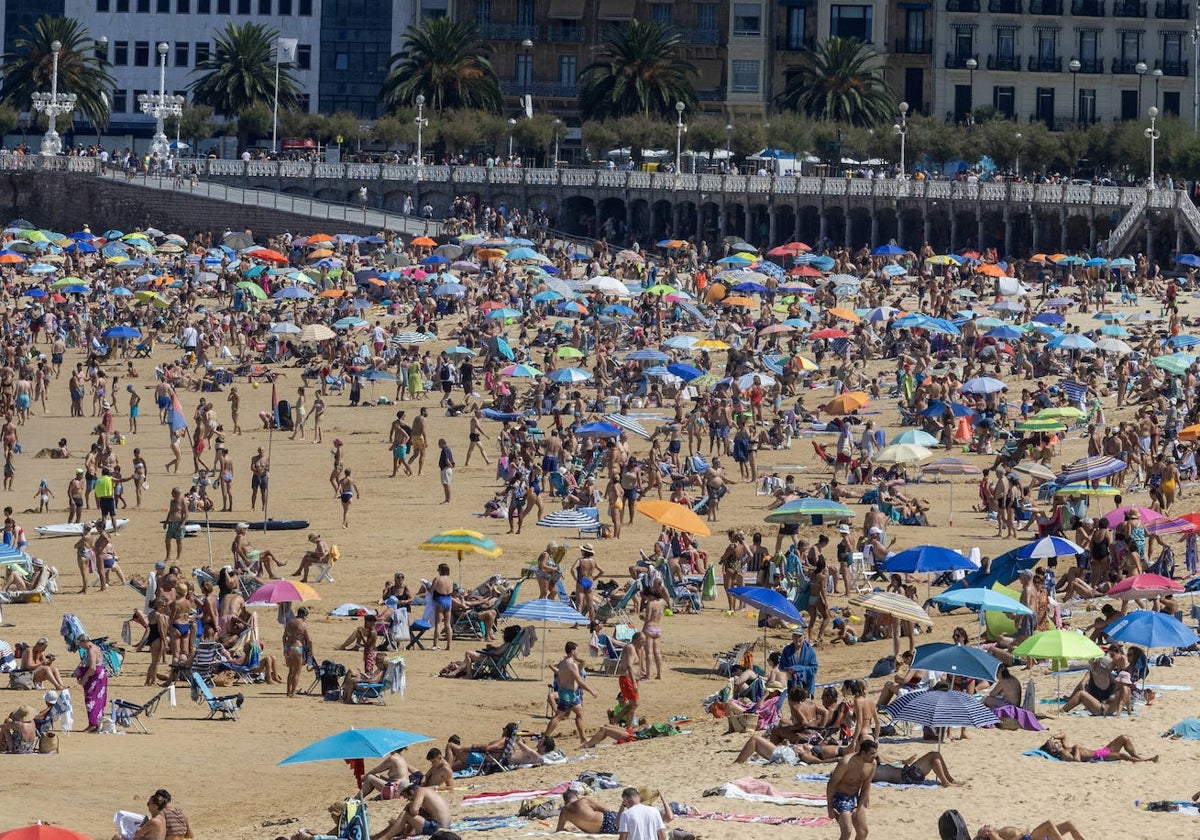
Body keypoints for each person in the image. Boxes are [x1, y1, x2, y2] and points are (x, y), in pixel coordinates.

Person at [544, 641, 598, 743]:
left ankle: (583, 738)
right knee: (558, 717)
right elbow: (579, 681)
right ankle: (544, 738)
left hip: (571, 695)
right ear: (572, 651)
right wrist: (591, 691)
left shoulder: (563, 663)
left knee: (580, 713)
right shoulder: (571, 664)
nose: (578, 653)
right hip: (567, 695)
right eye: (577, 650)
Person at [826, 740, 876, 840]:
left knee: (863, 831)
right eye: (872, 754)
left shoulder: (872, 764)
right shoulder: (846, 762)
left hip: (855, 797)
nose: (875, 756)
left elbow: (866, 786)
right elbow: (832, 784)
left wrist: (859, 805)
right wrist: (829, 807)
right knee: (847, 831)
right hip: (840, 797)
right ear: (863, 753)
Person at [372, 781, 452, 840]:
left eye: (406, 796)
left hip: (438, 827)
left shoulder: (421, 791)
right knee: (409, 813)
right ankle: (401, 834)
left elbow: (414, 811)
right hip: (445, 825)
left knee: (406, 813)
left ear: (410, 792)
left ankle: (386, 837)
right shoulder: (426, 791)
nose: (407, 799)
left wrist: (409, 806)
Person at [1039, 732, 1157, 762]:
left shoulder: (1065, 747)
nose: (1057, 742)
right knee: (1121, 755)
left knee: (1124, 738)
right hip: (1098, 756)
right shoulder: (1063, 753)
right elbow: (1076, 761)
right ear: (1053, 750)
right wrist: (1076, 748)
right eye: (1055, 744)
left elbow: (1063, 734)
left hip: (1101, 751)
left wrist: (1053, 737)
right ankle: (1144, 760)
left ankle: (1136, 756)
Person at [870, 750, 961, 786]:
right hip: (908, 777)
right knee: (934, 755)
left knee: (935, 755)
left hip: (907, 774)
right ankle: (946, 781)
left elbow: (886, 759)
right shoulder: (869, 768)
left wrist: (904, 761)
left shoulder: (872, 762)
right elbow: (885, 760)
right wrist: (904, 761)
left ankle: (949, 779)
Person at [75, 633, 108, 732]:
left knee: (91, 699)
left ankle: (93, 723)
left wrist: (84, 678)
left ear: (84, 642)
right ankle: (97, 722)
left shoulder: (91, 650)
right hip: (100, 675)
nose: (80, 646)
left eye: (80, 643)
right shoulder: (95, 647)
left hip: (95, 676)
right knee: (98, 699)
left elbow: (92, 667)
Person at [556, 786, 621, 835]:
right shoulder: (584, 800)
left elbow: (559, 830)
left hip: (602, 830)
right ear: (577, 796)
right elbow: (605, 810)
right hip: (608, 820)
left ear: (565, 801)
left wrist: (567, 829)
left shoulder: (564, 812)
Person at [282, 606, 312, 699]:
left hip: (288, 647)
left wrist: (284, 648)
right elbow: (309, 640)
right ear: (304, 616)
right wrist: (311, 651)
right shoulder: (303, 624)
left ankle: (288, 692)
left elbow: (284, 637)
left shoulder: (290, 622)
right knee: (297, 672)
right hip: (297, 647)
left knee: (290, 671)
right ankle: (292, 693)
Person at [974, 821, 1087, 840]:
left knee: (1069, 824)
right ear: (985, 834)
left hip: (1030, 837)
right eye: (983, 828)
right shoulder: (993, 834)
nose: (986, 826)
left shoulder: (999, 830)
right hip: (1027, 839)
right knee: (1049, 823)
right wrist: (1021, 835)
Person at [437, 438, 454, 504]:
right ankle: (447, 499)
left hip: (446, 469)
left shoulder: (445, 450)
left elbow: (447, 460)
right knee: (445, 484)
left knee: (446, 484)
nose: (438, 445)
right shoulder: (447, 449)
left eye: (439, 443)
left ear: (442, 443)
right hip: (446, 469)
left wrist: (450, 465)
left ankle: (448, 499)